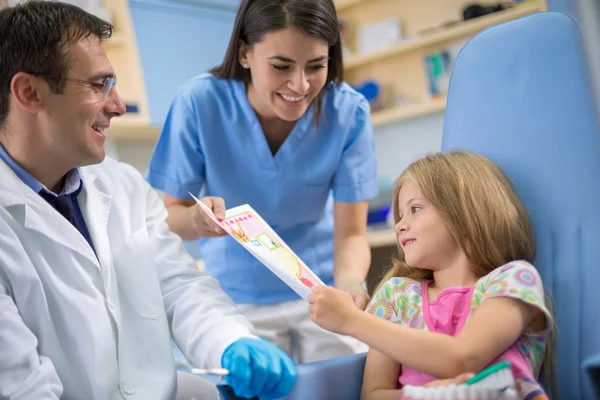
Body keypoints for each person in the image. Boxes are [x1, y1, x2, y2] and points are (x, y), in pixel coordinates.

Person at [0, 2, 295, 399]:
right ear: (29, 92)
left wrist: (229, 340)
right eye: (97, 85)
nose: (118, 105)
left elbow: (177, 286)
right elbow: (20, 387)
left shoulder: (122, 186)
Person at [145, 0, 377, 363]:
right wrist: (196, 220)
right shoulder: (200, 103)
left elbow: (351, 234)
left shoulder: (347, 112)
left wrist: (348, 289)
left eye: (316, 66)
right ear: (244, 53)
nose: (300, 85)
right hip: (238, 297)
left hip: (323, 287)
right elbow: (168, 217)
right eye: (281, 66)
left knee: (348, 380)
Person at [307, 151, 556, 399]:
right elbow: (372, 394)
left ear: (467, 211)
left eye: (415, 209)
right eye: (400, 215)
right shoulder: (396, 296)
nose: (399, 225)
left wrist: (351, 321)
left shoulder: (513, 280)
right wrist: (420, 395)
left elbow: (463, 358)